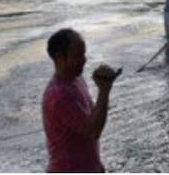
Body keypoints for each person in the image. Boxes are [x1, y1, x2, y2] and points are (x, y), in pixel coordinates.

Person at [42, 28, 120, 173]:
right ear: (59, 58)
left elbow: (90, 121)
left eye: (83, 54)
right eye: (78, 56)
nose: (84, 60)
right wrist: (104, 90)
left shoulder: (76, 79)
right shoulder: (59, 96)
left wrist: (97, 167)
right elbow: (93, 130)